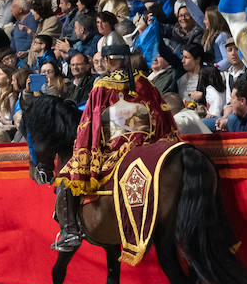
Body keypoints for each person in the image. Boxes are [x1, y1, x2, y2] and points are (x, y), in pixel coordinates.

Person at [53, 45, 180, 250]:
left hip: (114, 152)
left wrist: (84, 150)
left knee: (67, 178)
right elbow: (161, 114)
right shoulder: (145, 82)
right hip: (147, 146)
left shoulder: (102, 86)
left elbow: (89, 124)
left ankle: (69, 233)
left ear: (108, 60)